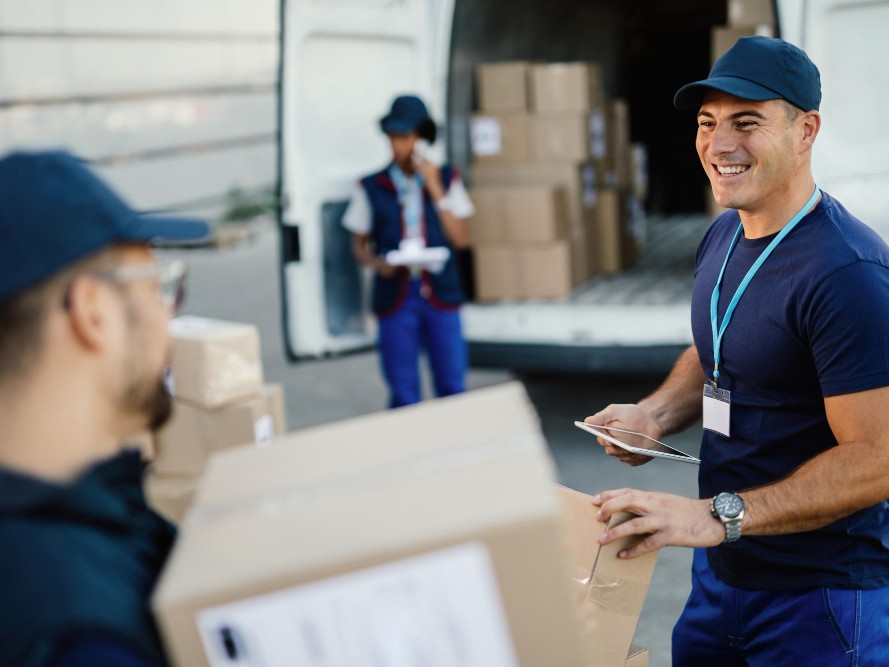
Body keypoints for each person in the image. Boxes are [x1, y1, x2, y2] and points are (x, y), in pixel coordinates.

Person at [585, 37, 889, 665]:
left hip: (818, 599)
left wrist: (714, 516)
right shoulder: (725, 232)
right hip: (720, 580)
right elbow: (719, 346)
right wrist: (655, 415)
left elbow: (878, 459)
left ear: (806, 130)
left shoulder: (847, 272)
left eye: (746, 122)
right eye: (707, 122)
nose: (720, 144)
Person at [0, 151, 209, 666]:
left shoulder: (82, 531)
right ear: (92, 311)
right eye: (159, 287)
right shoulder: (80, 637)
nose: (167, 318)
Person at [342, 94, 474, 408]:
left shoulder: (446, 178)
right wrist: (377, 263)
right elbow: (358, 244)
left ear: (421, 139)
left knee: (452, 384)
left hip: (440, 292)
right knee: (403, 392)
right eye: (392, 138)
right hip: (396, 296)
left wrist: (434, 187)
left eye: (405, 137)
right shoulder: (371, 185)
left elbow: (461, 239)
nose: (397, 145)